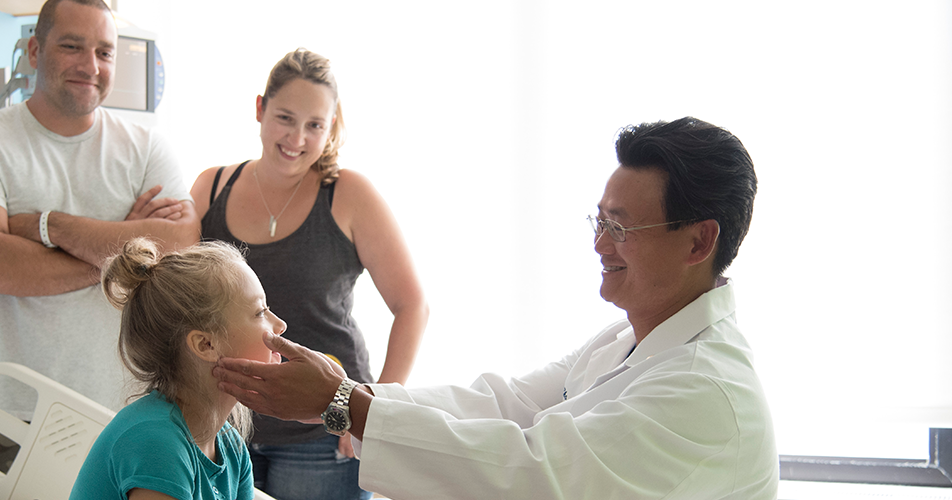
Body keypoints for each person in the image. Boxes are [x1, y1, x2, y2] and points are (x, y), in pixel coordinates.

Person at [215, 117, 778, 499]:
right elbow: (502, 402)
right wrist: (342, 397)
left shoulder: (706, 393)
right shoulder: (623, 339)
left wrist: (342, 403)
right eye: (600, 220)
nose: (601, 245)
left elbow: (531, 472)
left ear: (699, 242)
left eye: (623, 227)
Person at [0, 0, 198, 468]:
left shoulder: (146, 149)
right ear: (34, 50)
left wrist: (46, 227)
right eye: (72, 46)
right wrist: (128, 248)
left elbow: (180, 248)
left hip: (122, 415)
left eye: (104, 52)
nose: (90, 66)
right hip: (10, 413)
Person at [191, 48, 429, 500]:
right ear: (259, 108)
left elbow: (412, 305)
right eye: (285, 117)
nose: (297, 137)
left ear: (332, 126)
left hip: (321, 433)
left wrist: (375, 408)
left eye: (315, 125)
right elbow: (177, 283)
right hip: (225, 426)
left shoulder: (348, 193)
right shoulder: (211, 186)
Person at [70, 237, 280, 500]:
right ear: (205, 344)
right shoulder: (157, 441)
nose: (280, 324)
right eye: (261, 312)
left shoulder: (229, 444)